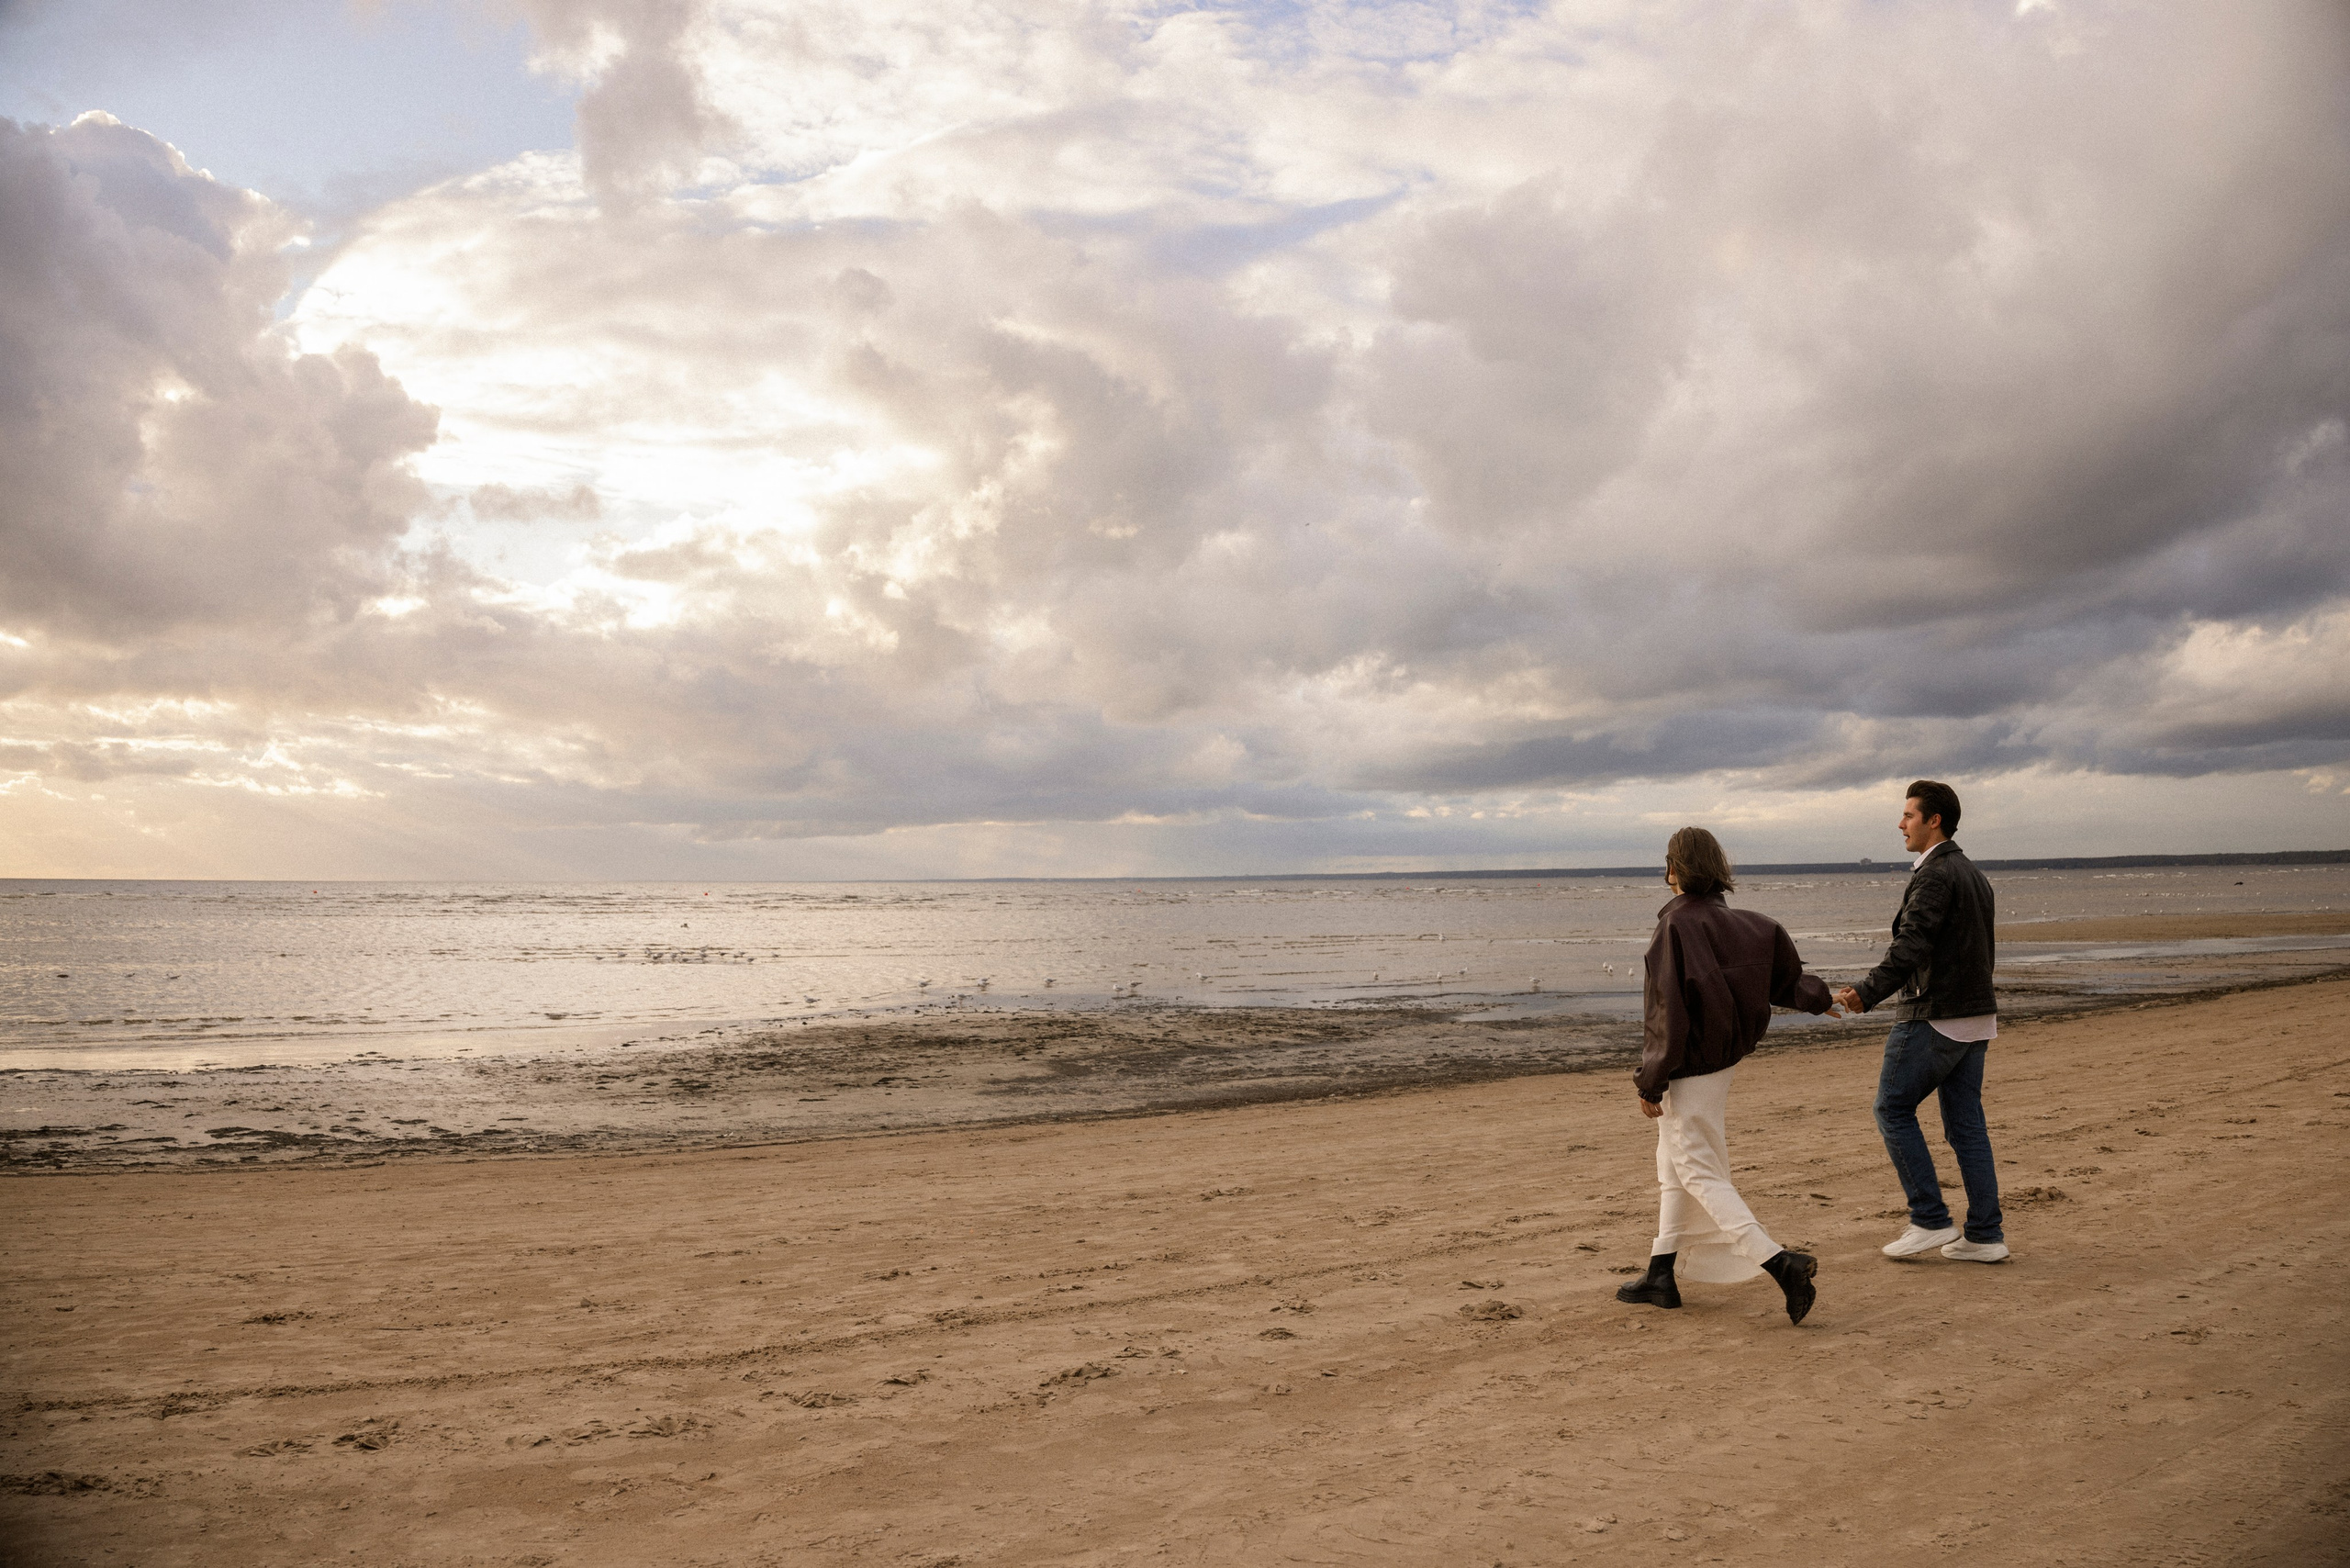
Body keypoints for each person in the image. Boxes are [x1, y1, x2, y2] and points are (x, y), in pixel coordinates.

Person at [1617, 826, 1839, 1325]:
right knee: (1673, 1165)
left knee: (1696, 1169)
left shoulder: (1676, 927)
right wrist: (1822, 1001)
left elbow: (1667, 1012)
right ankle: (1660, 1273)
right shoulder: (1754, 924)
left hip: (1687, 1066)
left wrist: (1650, 1080)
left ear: (1674, 868)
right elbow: (1784, 978)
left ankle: (1781, 1263)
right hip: (1720, 1064)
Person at [1831, 779, 2007, 1263]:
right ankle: (1985, 1236)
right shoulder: (1972, 872)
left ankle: (1929, 1219)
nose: (1900, 823)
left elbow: (1912, 946)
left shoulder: (1936, 875)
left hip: (1936, 1016)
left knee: (1891, 1109)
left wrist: (1866, 993)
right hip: (1975, 1017)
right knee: (1967, 1128)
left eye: (1909, 815)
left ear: (1935, 821)